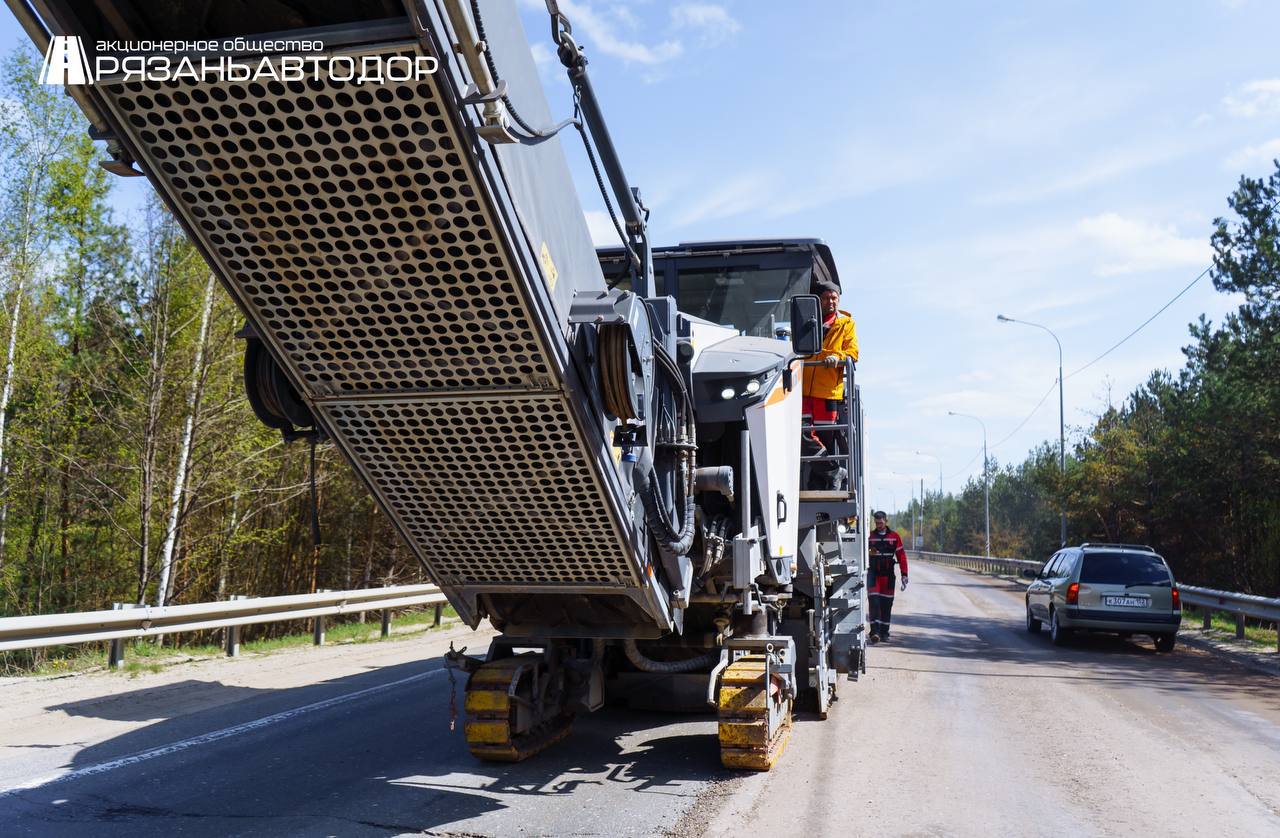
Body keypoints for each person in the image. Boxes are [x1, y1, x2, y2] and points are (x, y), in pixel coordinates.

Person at [801, 280, 859, 490]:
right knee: (804, 435)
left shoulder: (846, 324)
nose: (830, 301)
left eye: (833, 298)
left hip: (829, 393)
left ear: (838, 300)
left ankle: (820, 481)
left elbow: (853, 353)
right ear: (820, 301)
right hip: (805, 391)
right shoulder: (807, 322)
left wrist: (837, 356)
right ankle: (834, 471)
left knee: (825, 439)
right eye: (826, 298)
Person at [867, 510, 908, 643]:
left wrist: (904, 574)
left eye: (881, 522)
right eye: (876, 523)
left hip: (888, 576)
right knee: (874, 603)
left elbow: (901, 556)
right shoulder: (870, 537)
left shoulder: (895, 537)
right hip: (873, 575)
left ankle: (884, 632)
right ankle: (875, 631)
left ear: (886, 521)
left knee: (886, 604)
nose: (878, 525)